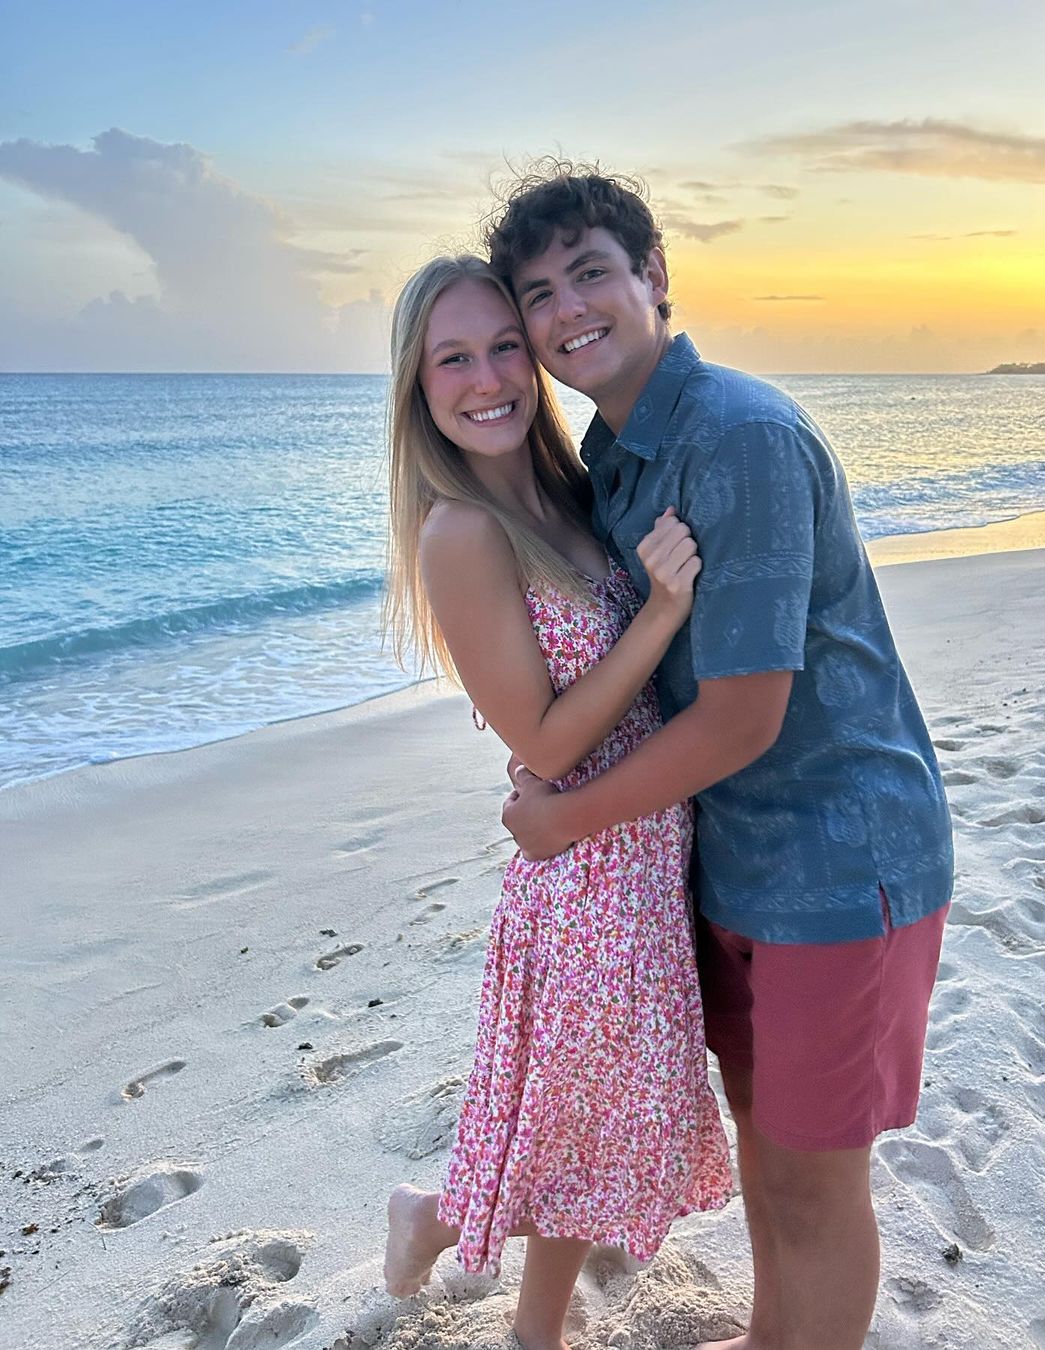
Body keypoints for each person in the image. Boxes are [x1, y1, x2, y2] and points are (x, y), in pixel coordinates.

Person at [488, 166, 954, 1350]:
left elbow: (745, 715)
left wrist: (565, 817)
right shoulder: (617, 452)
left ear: (654, 276)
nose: (566, 309)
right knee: (767, 1149)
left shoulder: (736, 436)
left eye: (590, 272)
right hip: (732, 860)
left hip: (837, 861)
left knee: (815, 1185)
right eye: (537, 293)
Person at [380, 254, 732, 1350]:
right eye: (453, 359)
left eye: (502, 348)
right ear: (418, 386)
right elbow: (541, 737)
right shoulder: (461, 531)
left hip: (643, 849)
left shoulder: (567, 490)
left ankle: (492, 1284)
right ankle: (445, 1234)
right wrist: (662, 613)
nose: (487, 378)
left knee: (587, 1124)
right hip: (584, 878)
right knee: (582, 1120)